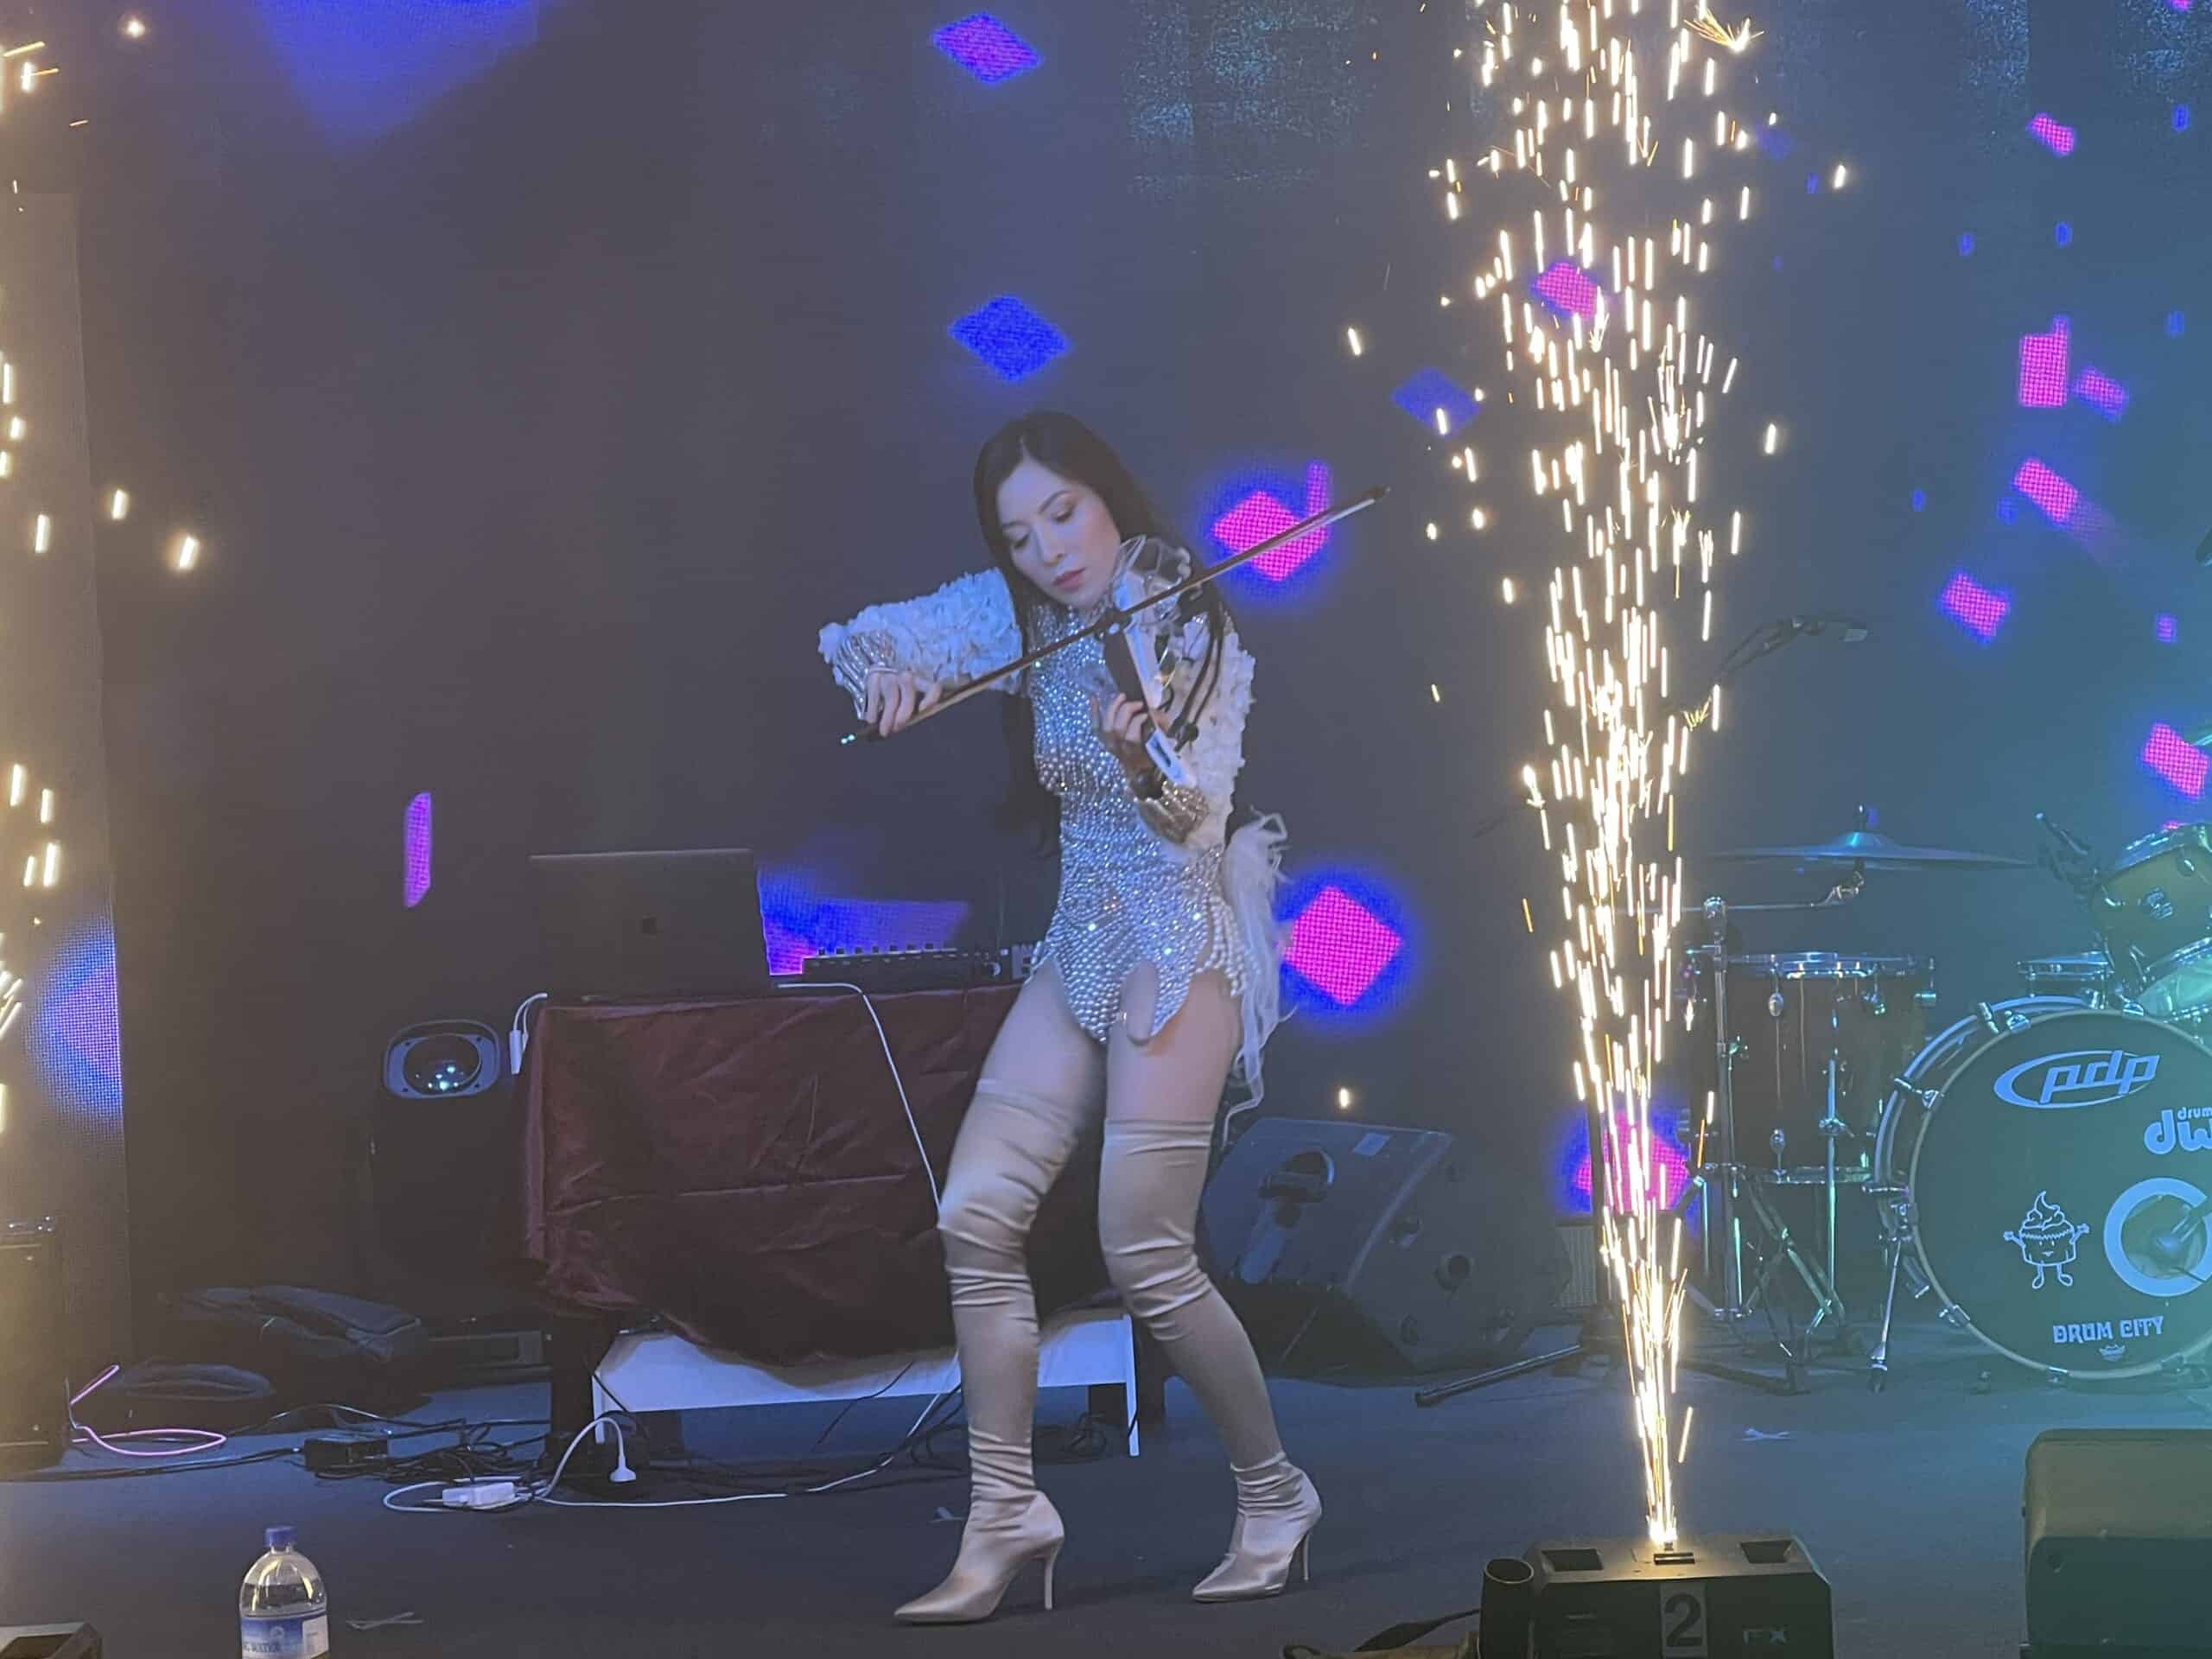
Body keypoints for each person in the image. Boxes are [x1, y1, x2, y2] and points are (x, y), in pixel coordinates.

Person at [818, 410, 1317, 1623]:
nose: (1049, 550)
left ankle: (1276, 1493)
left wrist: (1144, 761)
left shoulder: (1191, 628)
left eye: (1065, 513)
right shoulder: (1021, 615)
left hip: (1175, 945)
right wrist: (890, 679)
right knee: (975, 1216)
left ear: (1109, 501)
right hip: (1078, 943)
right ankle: (1005, 1514)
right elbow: (866, 634)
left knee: (1144, 1251)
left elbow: (1192, 818)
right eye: (1020, 534)